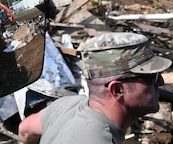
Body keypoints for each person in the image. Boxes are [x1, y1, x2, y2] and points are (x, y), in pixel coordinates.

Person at [18, 32, 172, 144]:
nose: (160, 83)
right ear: (117, 90)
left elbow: (25, 130)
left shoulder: (67, 104)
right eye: (152, 78)